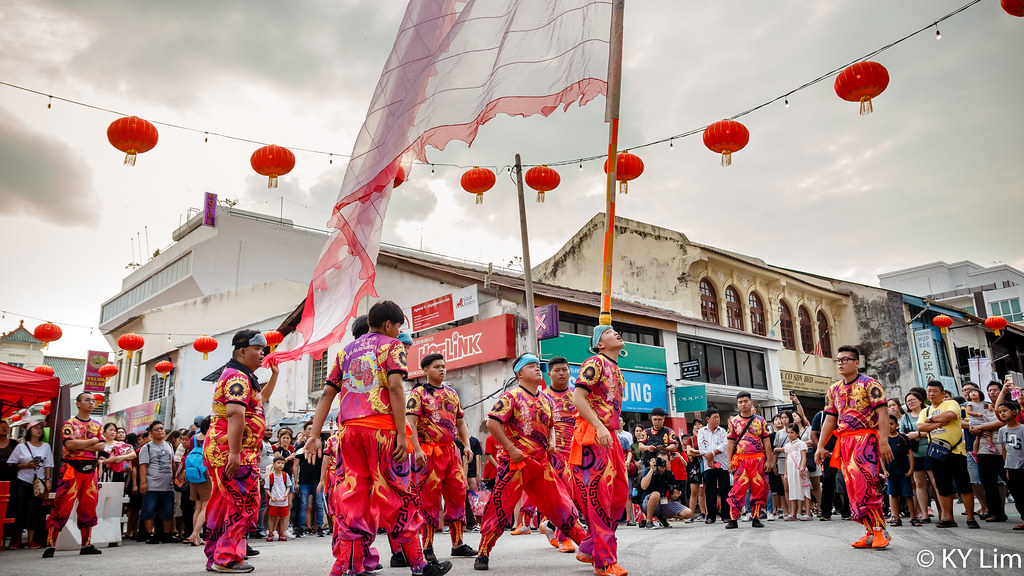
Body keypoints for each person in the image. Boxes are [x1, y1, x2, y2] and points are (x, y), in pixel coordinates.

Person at [303, 300, 451, 576]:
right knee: (399, 496)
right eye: (398, 326)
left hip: (349, 433)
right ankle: (419, 565)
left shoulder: (345, 351)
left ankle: (345, 567)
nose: (398, 332)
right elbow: (395, 388)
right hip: (381, 432)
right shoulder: (392, 346)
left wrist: (314, 434)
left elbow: (327, 394)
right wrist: (400, 434)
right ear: (388, 325)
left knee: (352, 499)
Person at [474, 353, 587, 572]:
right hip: (516, 463)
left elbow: (551, 424)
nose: (537, 369)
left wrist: (552, 441)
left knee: (562, 504)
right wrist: (511, 448)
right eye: (532, 366)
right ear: (519, 373)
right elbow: (492, 423)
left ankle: (586, 547)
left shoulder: (545, 399)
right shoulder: (511, 396)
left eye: (538, 366)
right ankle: (483, 551)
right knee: (500, 508)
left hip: (542, 463)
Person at [202, 329, 280, 573]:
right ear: (242, 350)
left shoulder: (243, 376)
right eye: (258, 349)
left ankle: (217, 555)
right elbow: (236, 414)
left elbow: (259, 401)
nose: (262, 354)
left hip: (228, 451)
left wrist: (274, 375)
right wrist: (235, 453)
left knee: (224, 504)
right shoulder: (238, 377)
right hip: (232, 452)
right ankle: (227, 558)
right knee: (240, 504)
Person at [815, 346, 893, 548]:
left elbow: (883, 414)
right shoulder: (833, 389)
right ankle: (870, 532)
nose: (840, 363)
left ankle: (879, 531)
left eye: (845, 359)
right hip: (846, 442)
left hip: (866, 440)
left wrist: (883, 442)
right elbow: (829, 420)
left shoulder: (870, 384)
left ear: (856, 362)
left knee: (867, 485)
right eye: (838, 360)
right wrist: (820, 446)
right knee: (854, 491)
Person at [569, 325, 629, 576]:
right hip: (594, 437)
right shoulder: (595, 362)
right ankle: (603, 562)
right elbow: (578, 398)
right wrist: (599, 426)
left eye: (616, 330)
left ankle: (589, 546)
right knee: (600, 500)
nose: (616, 333)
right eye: (608, 332)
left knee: (618, 497)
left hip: (609, 437)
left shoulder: (617, 369)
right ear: (599, 344)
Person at [406, 353, 477, 561]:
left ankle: (458, 544)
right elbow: (410, 423)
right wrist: (417, 449)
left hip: (450, 451)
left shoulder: (452, 393)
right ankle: (427, 547)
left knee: (457, 495)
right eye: (437, 367)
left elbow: (460, 422)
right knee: (428, 500)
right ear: (425, 370)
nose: (442, 369)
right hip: (428, 452)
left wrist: (465, 445)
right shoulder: (418, 393)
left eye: (443, 366)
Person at [42, 392, 105, 558]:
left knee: (88, 507)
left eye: (93, 400)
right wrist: (92, 441)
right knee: (62, 506)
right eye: (87, 400)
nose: (91, 403)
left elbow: (102, 446)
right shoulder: (69, 424)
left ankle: (86, 544)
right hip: (71, 471)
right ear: (77, 404)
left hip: (90, 471)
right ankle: (50, 544)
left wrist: (81, 446)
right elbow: (69, 444)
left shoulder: (97, 425)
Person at [917, 380, 977, 529]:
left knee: (963, 484)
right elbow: (921, 427)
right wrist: (939, 422)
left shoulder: (951, 404)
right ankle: (948, 518)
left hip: (956, 451)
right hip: (937, 453)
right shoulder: (925, 410)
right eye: (929, 391)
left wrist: (931, 421)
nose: (931, 394)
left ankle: (971, 517)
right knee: (942, 486)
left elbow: (950, 416)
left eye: (935, 391)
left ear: (943, 393)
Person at [539, 355, 579, 552]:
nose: (561, 373)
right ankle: (564, 538)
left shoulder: (577, 397)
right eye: (557, 370)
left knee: (574, 496)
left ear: (570, 372)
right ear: (549, 374)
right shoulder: (542, 398)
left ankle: (551, 525)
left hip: (577, 454)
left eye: (565, 369)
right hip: (553, 455)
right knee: (564, 496)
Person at [724, 391, 771, 529]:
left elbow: (767, 442)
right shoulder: (733, 422)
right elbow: (730, 443)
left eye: (745, 401)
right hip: (741, 461)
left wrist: (769, 461)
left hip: (758, 460)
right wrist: (728, 462)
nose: (743, 404)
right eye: (740, 402)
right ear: (737, 404)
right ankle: (733, 519)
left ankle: (756, 518)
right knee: (737, 490)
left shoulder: (761, 421)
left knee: (759, 489)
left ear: (751, 403)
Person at [7, 419, 52, 549]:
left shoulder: (46, 446)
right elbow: (11, 464)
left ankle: (31, 539)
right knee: (20, 509)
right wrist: (26, 465)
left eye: (40, 428)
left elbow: (48, 464)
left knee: (34, 509)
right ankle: (17, 539)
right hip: (23, 481)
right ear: (29, 431)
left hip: (38, 482)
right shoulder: (21, 447)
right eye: (35, 428)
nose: (39, 430)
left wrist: (48, 480)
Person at [970, 381, 1009, 523]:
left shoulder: (1008, 405)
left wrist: (983, 427)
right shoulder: (982, 408)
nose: (992, 392)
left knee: (1011, 481)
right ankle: (996, 513)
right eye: (990, 390)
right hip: (983, 450)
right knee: (988, 483)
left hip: (1002, 450)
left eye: (995, 390)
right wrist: (979, 428)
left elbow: (1002, 422)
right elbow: (972, 427)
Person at [139, 420, 177, 543]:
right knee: (149, 511)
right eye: (157, 429)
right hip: (152, 486)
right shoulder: (147, 447)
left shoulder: (169, 446)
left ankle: (166, 534)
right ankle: (150, 534)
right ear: (150, 433)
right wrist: (143, 483)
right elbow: (143, 466)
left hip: (167, 486)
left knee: (167, 511)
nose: (160, 431)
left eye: (161, 428)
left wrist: (174, 478)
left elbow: (172, 464)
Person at [901, 388, 932, 524]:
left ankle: (943, 512)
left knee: (935, 482)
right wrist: (909, 437)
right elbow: (901, 435)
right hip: (915, 453)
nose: (911, 402)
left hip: (930, 451)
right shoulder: (905, 417)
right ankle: (924, 513)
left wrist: (919, 434)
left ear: (920, 400)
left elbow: (935, 429)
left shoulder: (928, 413)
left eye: (913, 399)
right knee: (919, 483)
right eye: (908, 401)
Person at [639, 456, 692, 528]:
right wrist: (652, 469)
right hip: (648, 503)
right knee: (656, 494)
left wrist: (675, 496)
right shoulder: (648, 470)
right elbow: (643, 486)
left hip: (664, 502)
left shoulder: (669, 474)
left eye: (665, 461)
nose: (662, 466)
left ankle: (663, 517)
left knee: (688, 513)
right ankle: (649, 521)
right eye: (660, 462)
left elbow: (672, 496)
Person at [995, 397, 1023, 530]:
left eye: (1005, 411)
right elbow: (1004, 449)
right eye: (1000, 412)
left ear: (1014, 412)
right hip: (1011, 467)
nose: (1002, 414)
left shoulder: (1022, 429)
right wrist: (1006, 466)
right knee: (1017, 494)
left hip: (1022, 465)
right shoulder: (1002, 430)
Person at [697, 409, 730, 524]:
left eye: (718, 417)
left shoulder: (723, 431)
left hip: (722, 465)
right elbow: (701, 447)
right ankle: (711, 515)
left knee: (724, 489)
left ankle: (726, 515)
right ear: (707, 419)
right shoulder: (702, 431)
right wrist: (708, 458)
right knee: (710, 491)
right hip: (708, 465)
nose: (717, 420)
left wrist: (712, 454)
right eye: (714, 417)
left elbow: (724, 445)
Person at [883, 414, 915, 527]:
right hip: (891, 472)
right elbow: (881, 456)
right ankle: (896, 517)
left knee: (908, 494)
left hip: (904, 471)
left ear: (897, 425)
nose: (889, 426)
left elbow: (910, 453)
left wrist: (911, 468)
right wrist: (884, 470)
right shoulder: (883, 440)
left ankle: (913, 517)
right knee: (893, 494)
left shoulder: (903, 438)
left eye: (891, 424)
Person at [184, 417, 211, 546]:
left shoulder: (194, 438)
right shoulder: (210, 438)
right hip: (205, 473)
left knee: (197, 506)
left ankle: (197, 538)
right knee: (205, 506)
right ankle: (195, 533)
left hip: (193, 473)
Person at [296, 421, 326, 538]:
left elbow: (325, 463)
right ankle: (301, 528)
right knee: (303, 505)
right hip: (304, 481)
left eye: (314, 428)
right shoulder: (300, 447)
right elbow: (296, 466)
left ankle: (319, 528)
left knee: (319, 504)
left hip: (317, 481)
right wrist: (296, 481)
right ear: (304, 431)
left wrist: (322, 479)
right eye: (309, 429)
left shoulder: (322, 446)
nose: (311, 431)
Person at [783, 424, 810, 521]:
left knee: (805, 490)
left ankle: (807, 512)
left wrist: (802, 468)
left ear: (797, 433)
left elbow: (803, 457)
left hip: (799, 469)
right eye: (788, 433)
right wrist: (785, 474)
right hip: (790, 470)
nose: (789, 435)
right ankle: (793, 513)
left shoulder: (802, 444)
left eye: (792, 432)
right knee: (792, 490)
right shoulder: (787, 446)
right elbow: (787, 460)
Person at [265, 456, 292, 541]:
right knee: (272, 517)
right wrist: (271, 496)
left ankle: (282, 532)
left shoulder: (285, 475)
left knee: (283, 517)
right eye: (278, 463)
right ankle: (270, 532)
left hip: (283, 501)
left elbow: (288, 486)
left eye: (282, 463)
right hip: (274, 501)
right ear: (274, 464)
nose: (280, 465)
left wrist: (286, 494)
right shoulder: (270, 476)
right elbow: (266, 488)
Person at [684, 418, 706, 522]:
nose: (697, 426)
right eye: (695, 424)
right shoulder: (691, 439)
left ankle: (704, 513)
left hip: (705, 464)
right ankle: (690, 514)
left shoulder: (706, 437)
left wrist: (695, 451)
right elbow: (689, 453)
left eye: (699, 424)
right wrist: (699, 452)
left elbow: (708, 451)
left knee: (703, 492)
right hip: (695, 466)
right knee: (693, 491)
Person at [771, 412, 792, 520]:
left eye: (785, 418)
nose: (783, 420)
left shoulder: (794, 429)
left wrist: (780, 449)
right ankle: (785, 510)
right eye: (782, 418)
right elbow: (776, 450)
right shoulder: (779, 433)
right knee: (783, 487)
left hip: (793, 459)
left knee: (792, 485)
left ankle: (795, 510)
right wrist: (774, 463)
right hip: (781, 460)